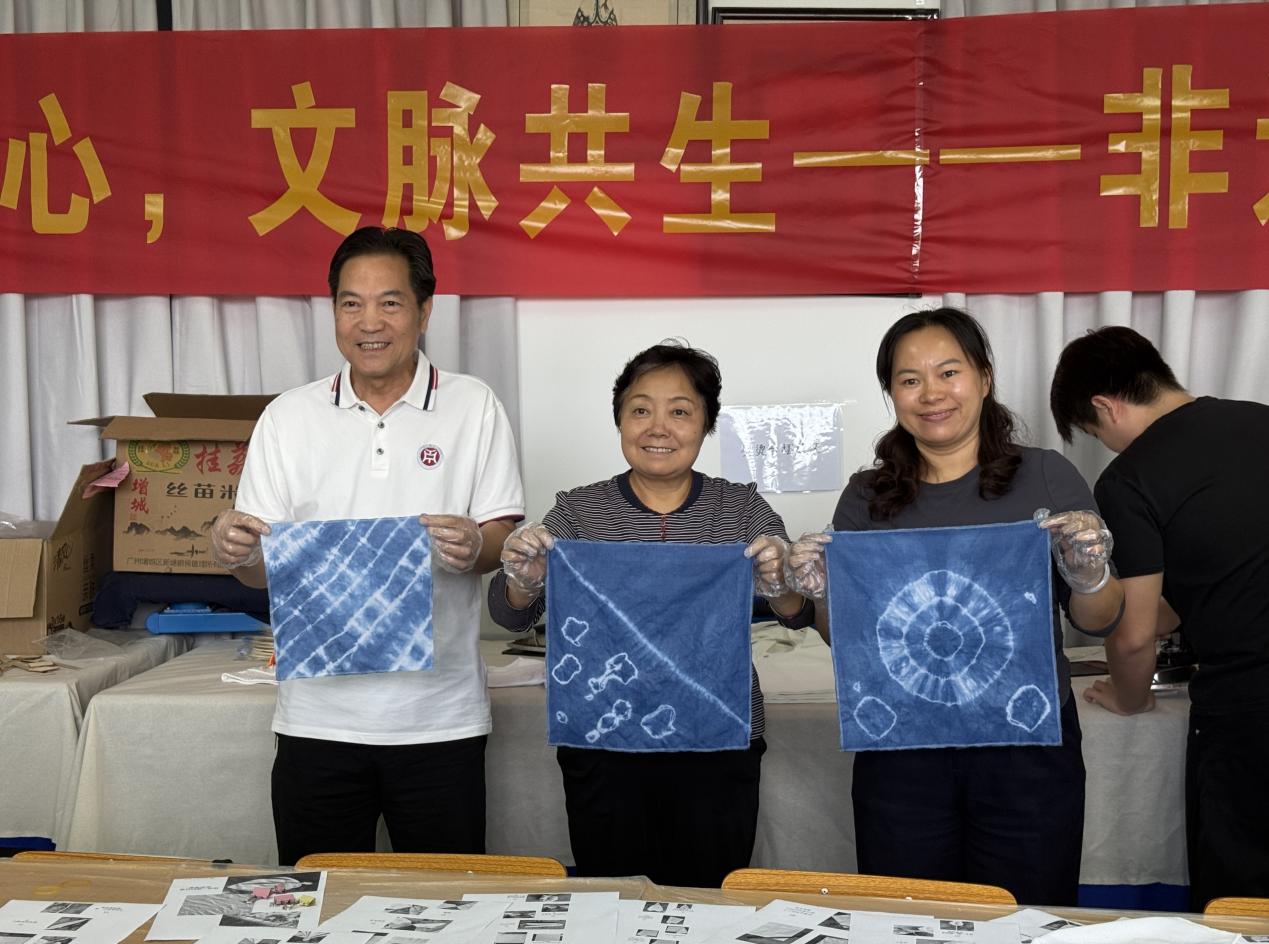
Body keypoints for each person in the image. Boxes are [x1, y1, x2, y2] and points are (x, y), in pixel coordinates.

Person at [786, 307, 1124, 906]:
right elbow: (850, 640)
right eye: (909, 379)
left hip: (1025, 745)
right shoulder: (867, 496)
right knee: (907, 916)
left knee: (1027, 915)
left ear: (984, 378)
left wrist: (1089, 573)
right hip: (902, 747)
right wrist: (815, 594)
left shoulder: (1045, 475)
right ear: (891, 393)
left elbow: (1098, 620)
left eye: (949, 372)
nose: (931, 393)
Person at [209, 226, 523, 865]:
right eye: (351, 303)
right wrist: (238, 552)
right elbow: (263, 572)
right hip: (316, 717)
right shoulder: (289, 416)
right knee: (315, 898)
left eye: (390, 302)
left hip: (440, 718)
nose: (368, 322)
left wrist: (475, 546)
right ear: (333, 312)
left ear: (424, 311)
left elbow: (500, 539)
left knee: (447, 903)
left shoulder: (474, 406)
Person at [487, 341, 814, 887]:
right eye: (641, 409)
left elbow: (797, 615)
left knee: (709, 896)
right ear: (619, 420)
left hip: (718, 739)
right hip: (604, 740)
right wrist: (524, 578)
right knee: (613, 896)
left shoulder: (741, 510)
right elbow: (510, 614)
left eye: (680, 411)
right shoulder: (579, 511)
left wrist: (780, 582)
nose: (658, 427)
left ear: (706, 424)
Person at [1050, 325, 1269, 910]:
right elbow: (1230, 573)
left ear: (1105, 406)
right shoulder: (1259, 420)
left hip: (1250, 710)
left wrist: (1129, 698)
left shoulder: (1131, 478)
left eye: (1096, 434)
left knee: (1243, 902)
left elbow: (1133, 636)